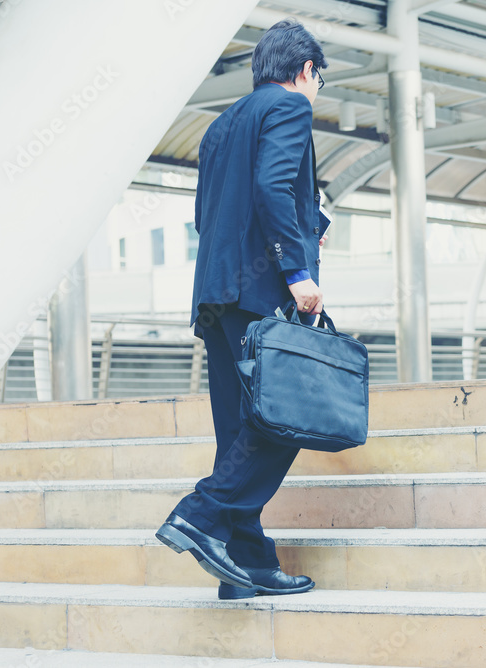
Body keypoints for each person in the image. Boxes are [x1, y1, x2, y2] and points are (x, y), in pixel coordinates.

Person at [155, 19, 329, 600]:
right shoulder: (289, 108)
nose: (315, 89)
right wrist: (297, 270)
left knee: (239, 430)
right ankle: (197, 515)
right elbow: (273, 188)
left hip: (219, 293)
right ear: (305, 71)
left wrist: (313, 226)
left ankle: (246, 566)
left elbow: (218, 212)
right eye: (318, 80)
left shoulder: (221, 125)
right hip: (262, 293)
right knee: (287, 416)